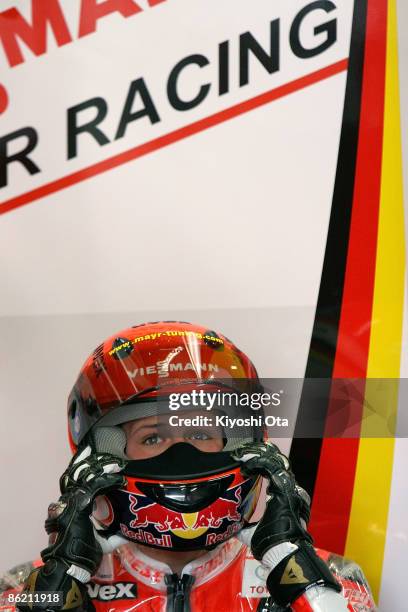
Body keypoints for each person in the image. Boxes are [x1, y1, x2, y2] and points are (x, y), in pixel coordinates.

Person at [0, 321, 376, 611]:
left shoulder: (335, 579)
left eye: (199, 433)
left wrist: (295, 572)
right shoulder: (23, 588)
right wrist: (60, 581)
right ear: (105, 455)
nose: (181, 453)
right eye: (153, 437)